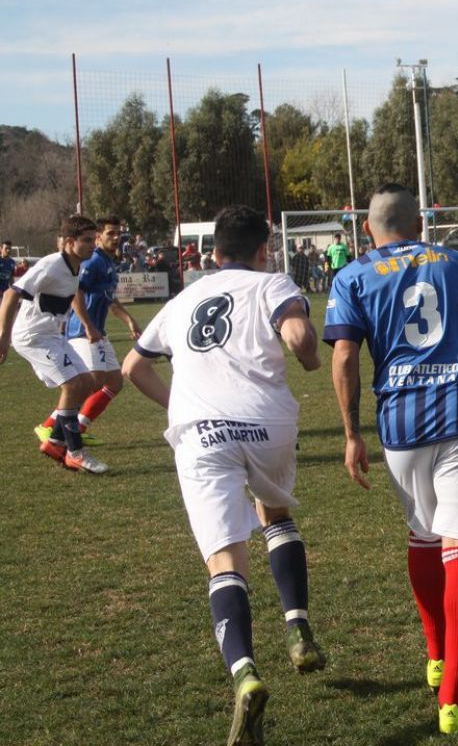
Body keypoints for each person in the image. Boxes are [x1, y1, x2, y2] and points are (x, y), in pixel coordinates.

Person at [122, 205, 326, 746]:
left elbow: (133, 367)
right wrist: (309, 357)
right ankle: (297, 627)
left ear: (212, 254)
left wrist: (181, 405)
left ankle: (245, 674)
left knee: (225, 559)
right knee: (275, 514)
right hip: (267, 424)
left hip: (201, 432)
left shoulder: (180, 300)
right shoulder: (271, 283)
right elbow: (300, 337)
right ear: (263, 250)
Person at [325, 184, 458, 735]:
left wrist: (351, 434)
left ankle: (436, 658)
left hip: (399, 422)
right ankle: (454, 702)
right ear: (421, 223)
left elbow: (345, 356)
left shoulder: (352, 275)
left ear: (367, 229)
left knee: (425, 536)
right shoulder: (455, 262)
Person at [0, 217, 106, 473]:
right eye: (87, 240)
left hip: (51, 335)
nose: (93, 244)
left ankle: (55, 442)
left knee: (87, 382)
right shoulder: (51, 264)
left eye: (94, 239)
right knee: (71, 385)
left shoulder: (76, 266)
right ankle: (75, 452)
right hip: (32, 336)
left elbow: (69, 298)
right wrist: (3, 337)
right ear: (70, 242)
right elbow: (11, 293)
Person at [32, 216, 141, 448]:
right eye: (110, 233)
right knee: (91, 382)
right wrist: (88, 325)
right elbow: (76, 292)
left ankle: (79, 427)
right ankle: (50, 426)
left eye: (119, 233)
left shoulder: (108, 262)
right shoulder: (93, 261)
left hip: (97, 331)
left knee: (114, 382)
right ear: (99, 236)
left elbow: (109, 300)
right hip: (82, 330)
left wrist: (129, 321)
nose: (116, 237)